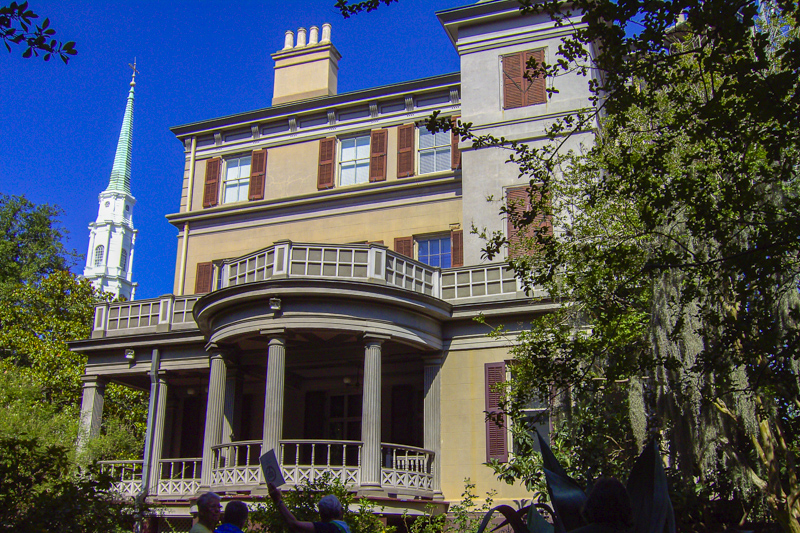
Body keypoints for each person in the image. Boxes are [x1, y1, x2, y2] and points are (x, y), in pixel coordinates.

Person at [268, 483, 352, 533]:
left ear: (322, 514)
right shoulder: (344, 528)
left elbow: (294, 524)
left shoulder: (330, 529)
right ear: (340, 512)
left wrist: (278, 501)